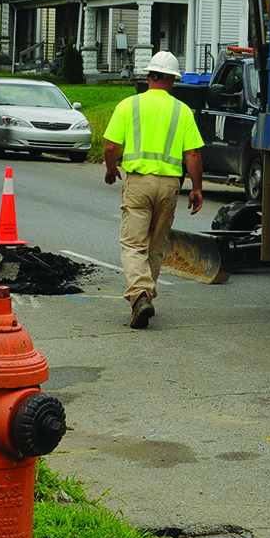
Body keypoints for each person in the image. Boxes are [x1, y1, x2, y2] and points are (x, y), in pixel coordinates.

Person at [103, 51, 204, 329]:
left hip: (138, 183)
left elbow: (111, 147)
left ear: (148, 77)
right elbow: (192, 154)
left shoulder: (128, 106)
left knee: (133, 244)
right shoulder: (181, 110)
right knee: (155, 245)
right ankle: (147, 295)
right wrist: (197, 189)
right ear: (172, 81)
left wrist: (111, 169)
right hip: (170, 185)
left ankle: (139, 296)